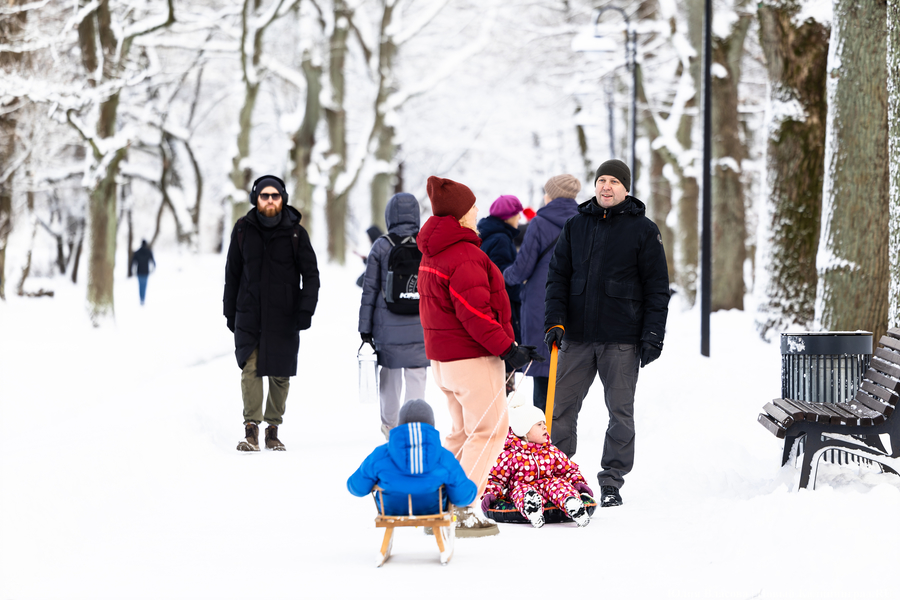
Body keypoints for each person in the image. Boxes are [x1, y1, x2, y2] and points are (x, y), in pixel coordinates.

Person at [417, 175, 544, 537]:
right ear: (460, 214)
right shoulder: (464, 255)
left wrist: (510, 345)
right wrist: (508, 349)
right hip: (471, 357)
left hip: (444, 360)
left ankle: (439, 504)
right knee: (489, 430)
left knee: (461, 434)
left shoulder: (433, 252)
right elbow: (476, 314)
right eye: (471, 206)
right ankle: (460, 508)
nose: (476, 210)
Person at [544, 160, 669, 508]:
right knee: (560, 409)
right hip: (577, 338)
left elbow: (657, 287)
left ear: (626, 188)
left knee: (620, 413)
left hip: (622, 339)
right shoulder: (575, 226)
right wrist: (554, 321)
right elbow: (557, 278)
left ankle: (612, 481)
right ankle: (558, 476)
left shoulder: (644, 230)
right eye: (602, 180)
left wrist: (652, 334)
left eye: (614, 181)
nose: (607, 186)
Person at [224, 174, 320, 452]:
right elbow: (232, 273)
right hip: (249, 313)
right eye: (264, 195)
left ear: (282, 199)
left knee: (279, 373)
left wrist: (305, 310)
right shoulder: (242, 229)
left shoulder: (296, 233)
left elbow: (311, 276)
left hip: (284, 315)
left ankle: (273, 429)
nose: (269, 200)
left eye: (274, 195)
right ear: (256, 199)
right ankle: (251, 429)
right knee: (250, 368)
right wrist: (229, 311)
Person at [503, 174, 581, 411]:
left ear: (552, 195)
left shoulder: (539, 222)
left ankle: (543, 436)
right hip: (574, 302)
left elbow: (523, 266)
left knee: (543, 372)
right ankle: (562, 437)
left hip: (542, 303)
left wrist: (502, 276)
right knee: (567, 373)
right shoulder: (585, 223)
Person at [358, 193, 429, 440]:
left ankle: (390, 428)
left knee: (389, 374)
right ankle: (415, 426)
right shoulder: (426, 243)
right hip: (421, 324)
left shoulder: (381, 245)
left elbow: (369, 290)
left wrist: (365, 329)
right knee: (417, 373)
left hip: (387, 325)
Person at [347, 399, 477, 515]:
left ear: (400, 424)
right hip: (434, 510)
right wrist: (472, 489)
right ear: (431, 425)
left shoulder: (380, 455)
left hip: (390, 510)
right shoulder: (444, 457)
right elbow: (463, 498)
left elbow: (357, 488)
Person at [480, 397, 593, 528]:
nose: (545, 427)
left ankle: (572, 504)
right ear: (525, 431)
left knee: (558, 484)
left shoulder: (551, 450)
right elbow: (496, 479)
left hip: (548, 486)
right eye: (539, 425)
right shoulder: (510, 455)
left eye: (544, 423)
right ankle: (531, 507)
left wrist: (577, 482)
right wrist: (491, 493)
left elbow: (568, 469)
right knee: (521, 491)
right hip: (523, 487)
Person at [478, 195, 525, 394]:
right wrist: (522, 290)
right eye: (517, 214)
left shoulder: (488, 234)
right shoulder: (502, 239)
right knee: (506, 371)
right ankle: (505, 420)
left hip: (489, 306)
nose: (519, 218)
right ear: (508, 217)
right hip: (502, 308)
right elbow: (503, 277)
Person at [129, 240, 156, 305]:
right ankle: (143, 298)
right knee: (144, 285)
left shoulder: (137, 252)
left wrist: (132, 270)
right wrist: (153, 269)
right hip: (146, 272)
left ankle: (141, 298)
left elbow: (133, 262)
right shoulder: (148, 252)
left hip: (139, 271)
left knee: (140, 286)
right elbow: (153, 262)